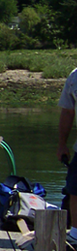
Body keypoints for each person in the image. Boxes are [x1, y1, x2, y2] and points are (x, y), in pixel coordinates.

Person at [57, 67, 77, 243]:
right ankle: (76, 234)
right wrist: (62, 144)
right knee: (74, 189)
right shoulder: (74, 76)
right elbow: (68, 112)